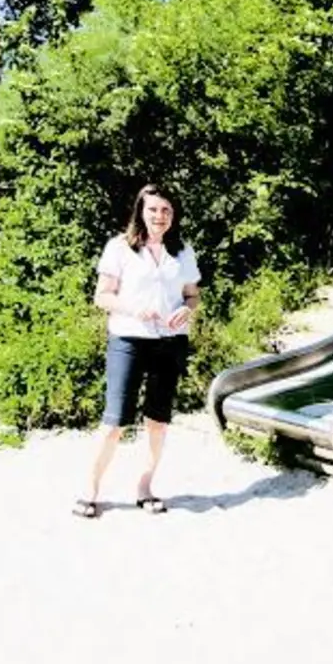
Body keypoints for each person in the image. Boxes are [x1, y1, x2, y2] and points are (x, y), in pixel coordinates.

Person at [73, 182, 201, 519]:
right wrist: (132, 309)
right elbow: (102, 295)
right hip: (128, 340)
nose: (159, 216)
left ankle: (145, 488)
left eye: (166, 210)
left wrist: (188, 308)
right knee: (114, 421)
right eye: (153, 210)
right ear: (140, 212)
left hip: (170, 343)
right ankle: (90, 491)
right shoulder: (119, 247)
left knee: (157, 421)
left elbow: (192, 294)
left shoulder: (182, 251)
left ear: (174, 215)